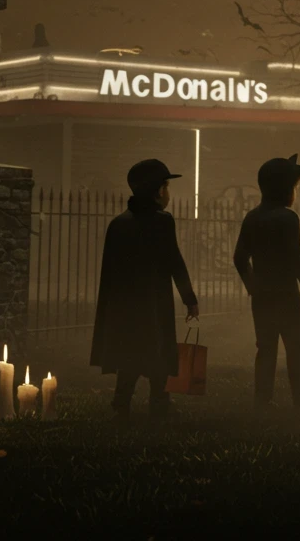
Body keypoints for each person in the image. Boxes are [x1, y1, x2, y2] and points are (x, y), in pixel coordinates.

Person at [90, 158, 199, 422]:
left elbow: (110, 271)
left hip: (125, 305)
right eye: (166, 187)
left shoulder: (119, 223)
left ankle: (121, 404)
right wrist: (190, 300)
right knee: (158, 353)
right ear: (159, 191)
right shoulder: (162, 221)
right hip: (154, 302)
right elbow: (175, 261)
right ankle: (159, 402)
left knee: (129, 354)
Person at [233, 153, 300, 406]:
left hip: (263, 294)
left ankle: (262, 398)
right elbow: (297, 260)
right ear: (286, 189)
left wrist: (252, 286)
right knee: (296, 347)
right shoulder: (288, 218)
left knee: (265, 349)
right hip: (286, 294)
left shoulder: (252, 217)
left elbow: (239, 258)